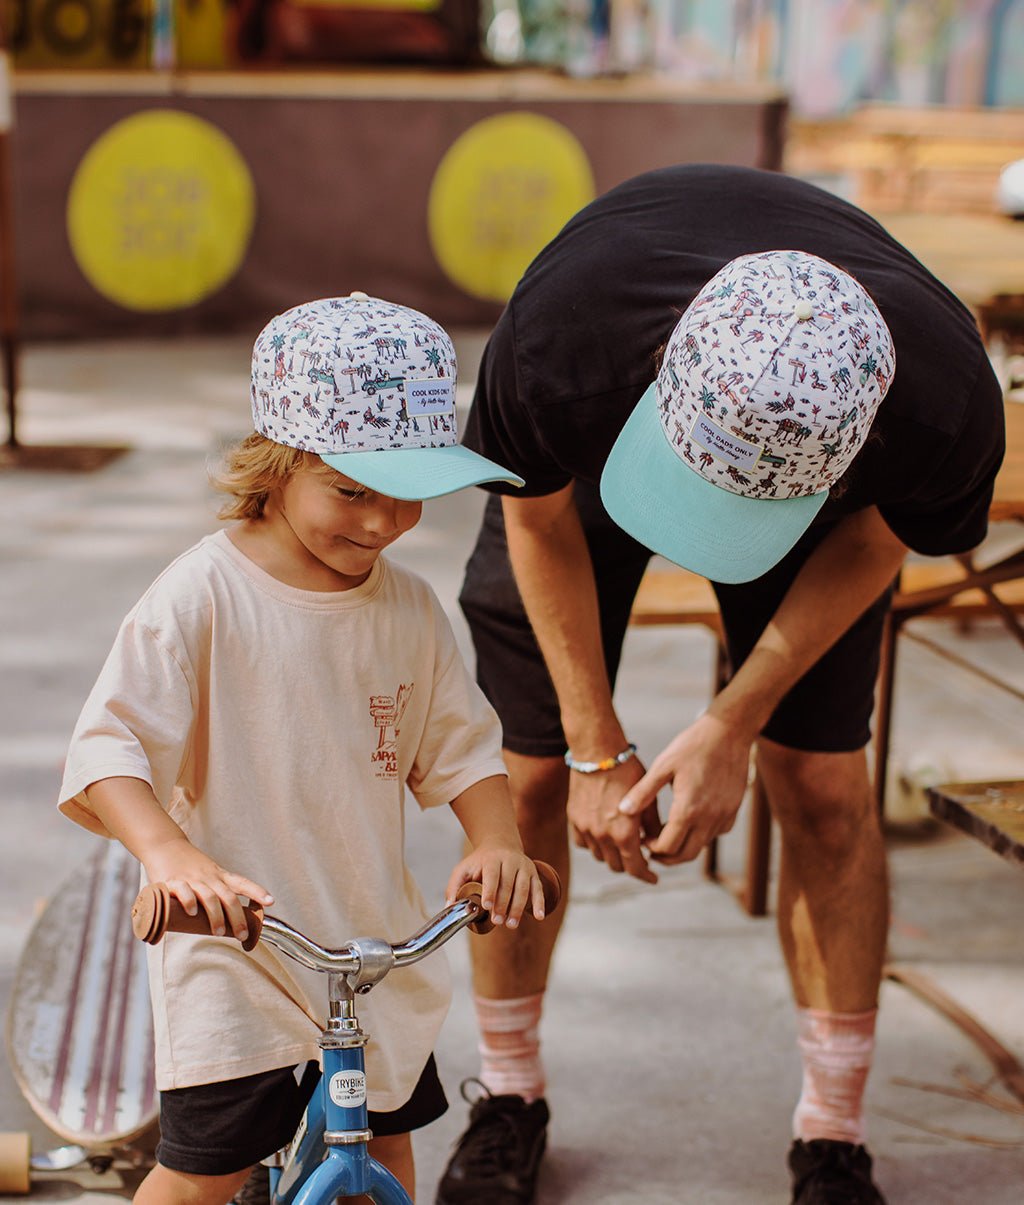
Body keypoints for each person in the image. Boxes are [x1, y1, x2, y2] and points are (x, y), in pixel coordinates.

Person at [436, 165, 1005, 1205]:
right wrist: (595, 744)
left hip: (815, 511)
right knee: (523, 784)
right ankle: (506, 1094)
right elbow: (535, 517)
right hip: (590, 466)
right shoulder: (566, 336)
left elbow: (879, 537)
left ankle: (832, 1135)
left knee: (825, 787)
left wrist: (734, 720)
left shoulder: (944, 400)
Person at [57, 294, 552, 1205]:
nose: (380, 522)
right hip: (236, 946)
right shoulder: (203, 596)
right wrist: (168, 855)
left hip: (370, 947)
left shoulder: (406, 609)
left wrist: (495, 838)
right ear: (276, 464)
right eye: (352, 489)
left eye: (408, 494)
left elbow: (462, 743)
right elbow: (109, 746)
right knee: (205, 1176)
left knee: (386, 1159)